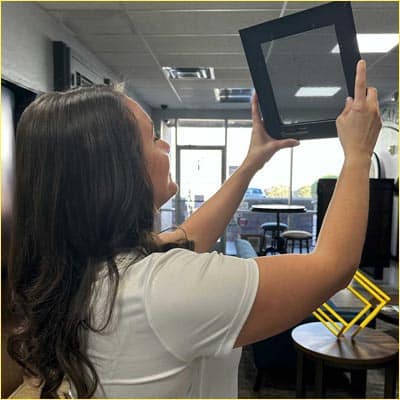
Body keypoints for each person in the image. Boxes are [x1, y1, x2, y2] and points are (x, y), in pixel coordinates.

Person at [7, 59, 381, 398]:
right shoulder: (159, 289)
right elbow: (332, 266)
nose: (165, 144)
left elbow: (187, 238)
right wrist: (358, 154)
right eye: (153, 137)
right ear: (117, 172)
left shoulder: (90, 266)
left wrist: (252, 162)